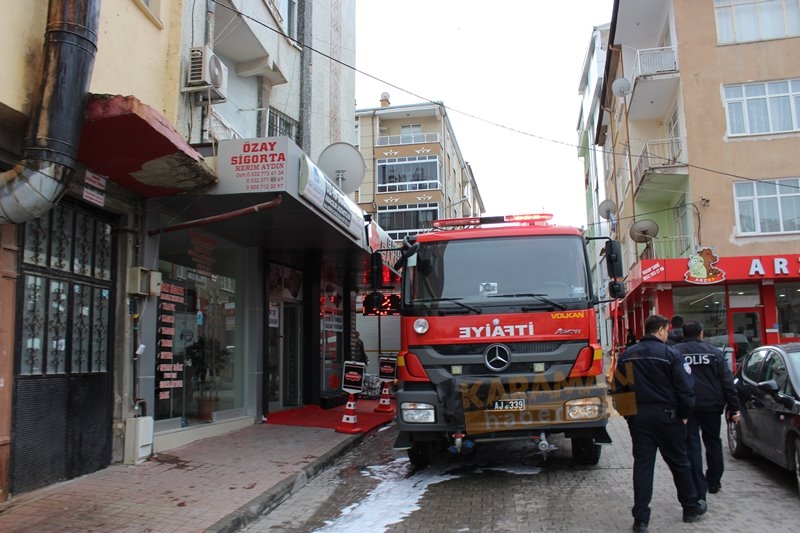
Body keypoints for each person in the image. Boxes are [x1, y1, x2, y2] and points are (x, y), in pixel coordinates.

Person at [612, 314, 706, 532]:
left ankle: (641, 520)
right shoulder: (670, 354)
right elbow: (686, 389)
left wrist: (629, 416)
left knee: (643, 466)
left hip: (640, 419)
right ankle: (690, 508)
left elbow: (618, 390)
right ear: (662, 330)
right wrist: (684, 414)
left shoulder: (628, 355)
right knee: (680, 463)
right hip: (668, 417)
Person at [672, 320, 740, 499]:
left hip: (688, 407)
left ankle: (697, 483)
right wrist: (734, 408)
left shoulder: (675, 353)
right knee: (713, 442)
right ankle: (714, 481)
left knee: (692, 445)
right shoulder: (715, 353)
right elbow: (727, 382)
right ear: (701, 333)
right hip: (712, 405)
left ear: (683, 334)